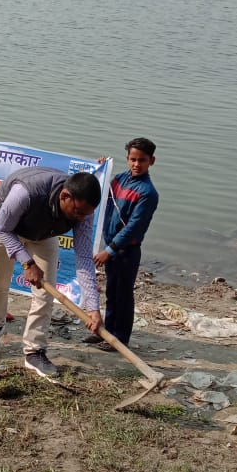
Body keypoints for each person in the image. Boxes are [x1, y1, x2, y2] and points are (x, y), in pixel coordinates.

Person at [0, 168, 103, 379]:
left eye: (85, 214)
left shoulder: (84, 212)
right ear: (65, 196)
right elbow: (2, 228)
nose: (81, 218)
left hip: (44, 235)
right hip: (7, 229)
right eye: (78, 212)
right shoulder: (25, 193)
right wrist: (28, 263)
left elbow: (83, 258)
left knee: (46, 293)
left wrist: (93, 307)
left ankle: (34, 351)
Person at [91, 137, 159, 348]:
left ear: (151, 161)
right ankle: (106, 333)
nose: (136, 164)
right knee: (112, 292)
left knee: (123, 295)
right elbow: (99, 190)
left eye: (142, 160)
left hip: (126, 251)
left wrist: (109, 251)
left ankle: (120, 338)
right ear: (127, 158)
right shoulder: (119, 180)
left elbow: (133, 227)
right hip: (110, 247)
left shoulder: (148, 192)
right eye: (133, 159)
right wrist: (100, 170)